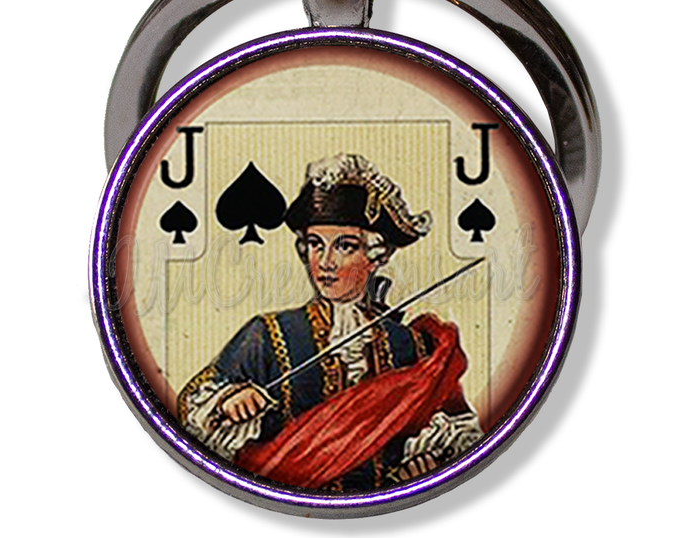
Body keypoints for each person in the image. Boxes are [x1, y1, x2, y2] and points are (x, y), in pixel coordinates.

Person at [177, 154, 482, 491]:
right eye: (315, 244)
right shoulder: (267, 335)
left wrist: (426, 467)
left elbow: (461, 439)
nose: (325, 262)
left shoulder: (414, 346)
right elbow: (193, 409)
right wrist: (228, 401)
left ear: (375, 255)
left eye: (344, 246)